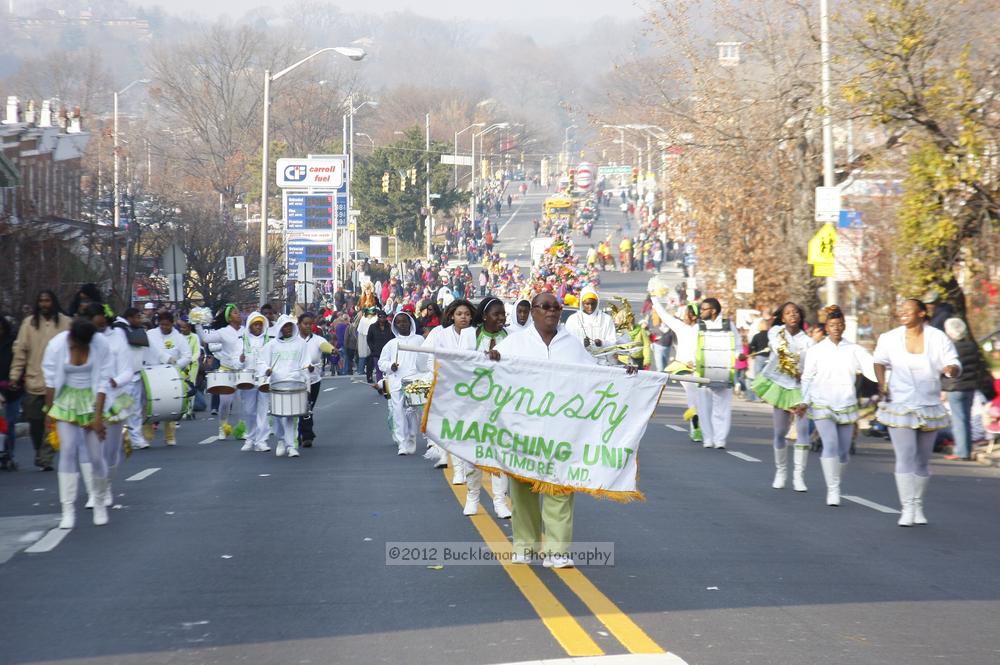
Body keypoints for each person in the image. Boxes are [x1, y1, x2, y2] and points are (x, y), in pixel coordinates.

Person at [488, 292, 601, 568]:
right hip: (523, 431)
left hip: (561, 433)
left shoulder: (572, 346)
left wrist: (627, 376)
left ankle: (557, 551)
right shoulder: (514, 343)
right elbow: (494, 377)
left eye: (556, 307)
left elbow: (597, 379)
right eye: (545, 307)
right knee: (523, 491)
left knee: (560, 489)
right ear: (533, 311)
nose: (551, 312)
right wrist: (491, 360)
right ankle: (525, 546)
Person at [873, 298, 960, 527]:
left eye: (908, 310)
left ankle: (918, 503)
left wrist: (951, 369)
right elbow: (879, 362)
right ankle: (907, 507)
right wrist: (882, 384)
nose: (902, 313)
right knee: (906, 454)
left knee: (922, 460)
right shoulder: (889, 338)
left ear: (921, 313)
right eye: (900, 310)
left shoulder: (937, 337)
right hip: (900, 403)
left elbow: (953, 362)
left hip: (928, 403)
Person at [42, 318, 114, 528]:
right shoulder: (56, 346)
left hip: (93, 400)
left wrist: (98, 419)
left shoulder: (100, 344)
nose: (75, 347)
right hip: (66, 401)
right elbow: (50, 381)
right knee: (68, 450)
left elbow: (103, 382)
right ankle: (68, 510)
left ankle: (99, 502)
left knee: (95, 455)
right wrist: (49, 412)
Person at [800, 306, 875, 506]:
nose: (836, 328)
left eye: (840, 325)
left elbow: (872, 370)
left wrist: (887, 381)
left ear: (844, 327)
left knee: (843, 452)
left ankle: (836, 481)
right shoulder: (815, 350)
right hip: (822, 402)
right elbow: (807, 377)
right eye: (832, 325)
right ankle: (833, 489)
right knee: (830, 444)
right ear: (826, 327)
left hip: (846, 402)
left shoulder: (855, 350)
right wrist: (804, 401)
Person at [456, 297, 513, 518]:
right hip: (474, 403)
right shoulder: (471, 334)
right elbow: (462, 363)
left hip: (501, 404)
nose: (501, 318)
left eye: (503, 315)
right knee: (474, 453)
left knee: (500, 454)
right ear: (485, 316)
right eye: (496, 314)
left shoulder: (510, 337)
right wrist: (485, 357)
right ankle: (473, 497)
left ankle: (500, 502)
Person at [751, 302, 813, 489]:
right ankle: (781, 471)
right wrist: (794, 366)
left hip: (799, 387)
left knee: (802, 431)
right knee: (780, 432)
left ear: (800, 316)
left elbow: (810, 364)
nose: (792, 315)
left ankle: (798, 476)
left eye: (796, 312)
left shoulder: (808, 341)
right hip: (780, 383)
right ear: (783, 317)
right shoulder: (775, 332)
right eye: (788, 313)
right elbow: (780, 350)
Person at [9, 290, 71, 470]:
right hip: (34, 381)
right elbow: (20, 351)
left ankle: (46, 456)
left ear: (54, 302)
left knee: (52, 421)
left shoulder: (66, 323)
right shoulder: (28, 324)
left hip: (59, 384)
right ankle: (39, 450)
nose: (45, 304)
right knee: (34, 421)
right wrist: (14, 376)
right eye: (41, 301)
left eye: (48, 301)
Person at [83, 304, 136, 508]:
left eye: (101, 316)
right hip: (89, 400)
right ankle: (95, 491)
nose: (99, 321)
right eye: (94, 317)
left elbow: (127, 370)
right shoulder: (82, 338)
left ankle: (107, 486)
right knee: (92, 449)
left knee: (111, 451)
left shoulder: (118, 338)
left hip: (114, 399)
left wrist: (115, 381)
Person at [421, 300, 477, 474]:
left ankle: (466, 463)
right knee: (447, 423)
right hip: (446, 384)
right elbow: (432, 357)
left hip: (469, 387)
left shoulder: (475, 333)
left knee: (465, 425)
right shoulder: (441, 334)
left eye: (467, 314)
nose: (464, 318)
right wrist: (435, 376)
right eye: (460, 314)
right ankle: (450, 461)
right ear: (452, 315)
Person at [651, 301, 704, 442]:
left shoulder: (681, 327)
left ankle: (695, 422)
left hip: (682, 367)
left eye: (685, 313)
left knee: (692, 396)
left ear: (689, 315)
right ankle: (697, 422)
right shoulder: (703, 329)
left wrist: (655, 300)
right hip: (699, 367)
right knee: (699, 397)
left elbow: (665, 316)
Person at [259, 315, 311, 458]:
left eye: (290, 326)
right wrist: (267, 370)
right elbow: (262, 361)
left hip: (294, 383)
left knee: (289, 416)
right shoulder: (271, 345)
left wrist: (308, 368)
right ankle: (281, 439)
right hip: (277, 383)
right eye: (285, 326)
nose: (287, 329)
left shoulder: (301, 343)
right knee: (277, 416)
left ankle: (291, 446)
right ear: (280, 329)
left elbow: (305, 361)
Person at [692, 298, 740, 450]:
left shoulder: (728, 325)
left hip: (723, 370)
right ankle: (708, 438)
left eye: (704, 309)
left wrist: (739, 355)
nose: (701, 312)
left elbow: (737, 345)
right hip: (702, 371)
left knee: (722, 407)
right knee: (704, 407)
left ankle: (720, 439)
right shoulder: (698, 326)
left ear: (713, 310)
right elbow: (692, 346)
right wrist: (690, 360)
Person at [142, 311, 192, 447]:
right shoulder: (150, 334)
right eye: (162, 324)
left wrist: (176, 366)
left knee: (170, 404)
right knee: (149, 406)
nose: (164, 327)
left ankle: (170, 436)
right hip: (151, 374)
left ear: (172, 323)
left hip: (170, 375)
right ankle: (147, 437)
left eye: (167, 324)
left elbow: (187, 356)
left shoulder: (179, 337)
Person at [941, 317, 986, 461]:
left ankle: (961, 451)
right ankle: (966, 448)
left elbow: (946, 369)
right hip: (970, 387)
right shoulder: (972, 346)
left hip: (956, 387)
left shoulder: (951, 347)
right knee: (966, 419)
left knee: (958, 420)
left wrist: (942, 387)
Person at [378, 311, 423, 455]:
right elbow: (381, 362)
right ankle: (402, 444)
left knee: (413, 412)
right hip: (396, 381)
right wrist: (390, 366)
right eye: (399, 322)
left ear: (410, 322)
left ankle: (411, 437)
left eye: (405, 321)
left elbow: (426, 359)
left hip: (414, 382)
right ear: (395, 325)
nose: (402, 324)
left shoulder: (419, 340)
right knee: (398, 412)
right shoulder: (392, 344)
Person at [197, 304, 244, 441]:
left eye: (238, 312)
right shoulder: (223, 332)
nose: (239, 314)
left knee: (243, 402)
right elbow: (205, 339)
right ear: (229, 318)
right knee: (225, 402)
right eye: (235, 313)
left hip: (242, 371)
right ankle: (223, 426)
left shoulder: (246, 331)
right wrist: (198, 325)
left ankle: (243, 428)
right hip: (226, 370)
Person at [298, 312, 335, 448]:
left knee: (308, 407)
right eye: (305, 323)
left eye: (310, 324)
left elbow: (325, 346)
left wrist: (333, 350)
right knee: (301, 407)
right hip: (297, 380)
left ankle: (305, 434)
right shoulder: (294, 340)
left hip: (314, 380)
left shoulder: (317, 339)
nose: (308, 326)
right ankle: (305, 435)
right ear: (299, 324)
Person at [237, 312, 272, 452]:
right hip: (247, 380)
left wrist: (268, 370)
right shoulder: (242, 340)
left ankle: (261, 440)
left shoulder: (269, 340)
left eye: (260, 324)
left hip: (264, 379)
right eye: (255, 324)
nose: (258, 327)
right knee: (249, 410)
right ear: (250, 326)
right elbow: (236, 362)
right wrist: (239, 361)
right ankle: (250, 438)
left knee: (263, 411)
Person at [564, 287, 617, 361]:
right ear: (582, 303)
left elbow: (612, 341)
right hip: (580, 361)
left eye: (593, 303)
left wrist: (601, 343)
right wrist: (582, 344)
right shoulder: (573, 320)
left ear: (597, 302)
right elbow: (567, 342)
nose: (590, 307)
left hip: (603, 362)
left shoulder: (606, 319)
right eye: (587, 304)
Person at [1, 315, 22, 470]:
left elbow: (19, 362)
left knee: (9, 423)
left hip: (12, 389)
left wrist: (16, 381)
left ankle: (9, 454)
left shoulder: (13, 343)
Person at [366, 310, 394, 387]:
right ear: (378, 318)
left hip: (388, 351)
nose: (382, 319)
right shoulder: (372, 327)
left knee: (388, 369)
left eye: (384, 317)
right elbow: (369, 339)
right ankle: (380, 386)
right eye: (380, 317)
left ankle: (388, 385)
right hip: (377, 352)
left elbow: (393, 337)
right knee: (379, 370)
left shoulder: (390, 327)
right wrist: (372, 348)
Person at [356, 307, 379, 382]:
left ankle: (361, 370)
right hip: (369, 340)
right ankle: (362, 370)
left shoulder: (364, 319)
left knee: (366, 357)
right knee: (368, 357)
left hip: (369, 339)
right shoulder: (371, 319)